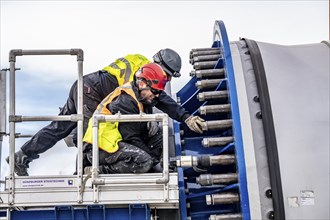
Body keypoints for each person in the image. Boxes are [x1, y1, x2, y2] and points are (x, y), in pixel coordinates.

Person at [8, 49, 205, 176]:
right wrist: (185, 117)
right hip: (91, 93)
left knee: (60, 127)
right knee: (90, 140)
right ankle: (81, 179)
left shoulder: (139, 60)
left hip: (84, 86)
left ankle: (22, 155)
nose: (166, 81)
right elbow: (156, 99)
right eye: (168, 76)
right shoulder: (145, 72)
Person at [83, 63, 169, 173]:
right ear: (142, 84)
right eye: (154, 91)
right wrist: (153, 162)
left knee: (158, 134)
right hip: (99, 147)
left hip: (116, 142)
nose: (156, 95)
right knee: (144, 161)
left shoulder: (141, 97)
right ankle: (99, 170)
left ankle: (151, 165)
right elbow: (131, 138)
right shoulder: (125, 101)